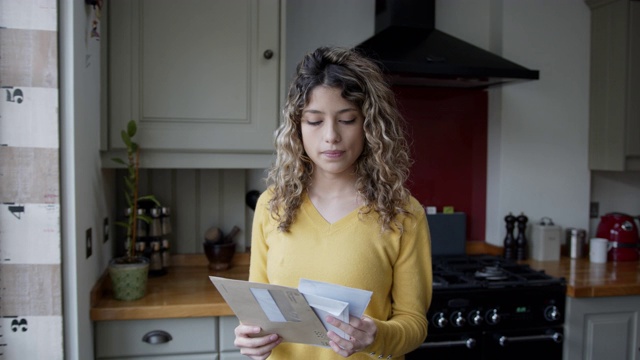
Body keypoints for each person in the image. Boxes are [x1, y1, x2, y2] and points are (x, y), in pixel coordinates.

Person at [234, 46, 432, 360]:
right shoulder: (273, 205)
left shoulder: (403, 213)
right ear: (297, 127)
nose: (331, 136)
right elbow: (258, 310)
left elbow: (414, 323)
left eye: (347, 119)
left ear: (369, 125)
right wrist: (250, 337)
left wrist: (375, 336)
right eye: (314, 121)